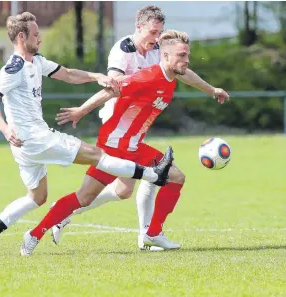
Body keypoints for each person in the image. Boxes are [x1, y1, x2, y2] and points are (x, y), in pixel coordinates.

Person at [0, 12, 173, 256]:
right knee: (96, 154)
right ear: (22, 37)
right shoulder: (13, 67)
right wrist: (5, 129)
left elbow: (67, 74)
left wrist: (97, 76)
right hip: (36, 138)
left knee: (37, 196)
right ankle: (152, 173)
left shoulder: (36, 61)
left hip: (25, 146)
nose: (40, 39)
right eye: (36, 35)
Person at [20, 29, 230, 256]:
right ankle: (34, 234)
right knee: (84, 197)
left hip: (135, 146)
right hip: (115, 147)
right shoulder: (147, 77)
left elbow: (187, 74)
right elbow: (111, 90)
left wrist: (212, 89)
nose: (186, 60)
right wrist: (81, 111)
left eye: (187, 55)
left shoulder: (172, 75)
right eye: (181, 55)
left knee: (175, 177)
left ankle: (152, 233)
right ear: (166, 56)